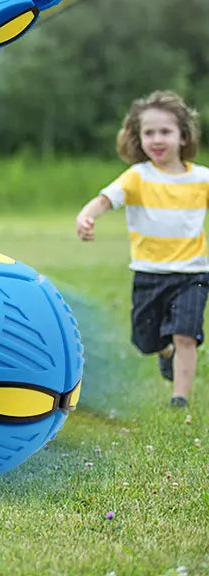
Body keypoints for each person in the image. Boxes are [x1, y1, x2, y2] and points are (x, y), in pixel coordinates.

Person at [76, 90, 209, 408]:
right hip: (149, 273)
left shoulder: (202, 178)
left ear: (183, 136)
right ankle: (164, 351)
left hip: (193, 273)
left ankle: (180, 398)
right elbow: (106, 199)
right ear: (139, 138)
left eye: (165, 131)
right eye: (149, 132)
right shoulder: (138, 176)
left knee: (186, 334)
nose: (157, 139)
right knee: (144, 339)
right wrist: (86, 215)